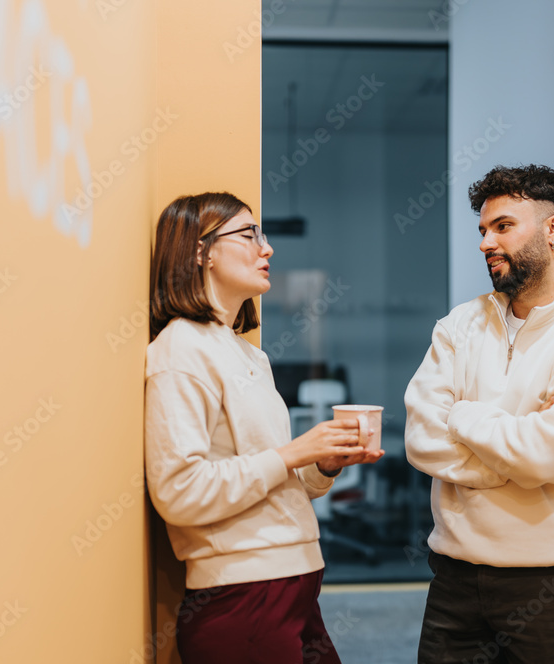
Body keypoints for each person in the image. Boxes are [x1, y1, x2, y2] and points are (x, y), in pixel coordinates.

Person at [404, 165, 554, 663]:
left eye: (503, 226)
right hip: (455, 579)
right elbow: (421, 437)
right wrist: (517, 449)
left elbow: (545, 457)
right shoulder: (458, 326)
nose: (487, 241)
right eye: (483, 230)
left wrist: (462, 417)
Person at [144, 192, 383, 664]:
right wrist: (294, 453)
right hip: (243, 594)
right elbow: (178, 491)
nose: (266, 248)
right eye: (249, 234)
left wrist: (321, 466)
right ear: (200, 251)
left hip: (293, 583)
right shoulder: (180, 351)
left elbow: (269, 479)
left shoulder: (249, 354)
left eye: (263, 235)